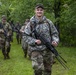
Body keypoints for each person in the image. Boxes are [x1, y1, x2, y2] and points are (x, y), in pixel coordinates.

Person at [24, 3, 59, 75]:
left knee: (48, 70)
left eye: (41, 10)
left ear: (43, 11)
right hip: (36, 49)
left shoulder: (48, 22)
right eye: (38, 10)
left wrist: (55, 41)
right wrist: (34, 41)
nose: (39, 11)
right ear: (35, 11)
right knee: (38, 69)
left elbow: (54, 33)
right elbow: (25, 36)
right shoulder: (30, 24)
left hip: (47, 49)